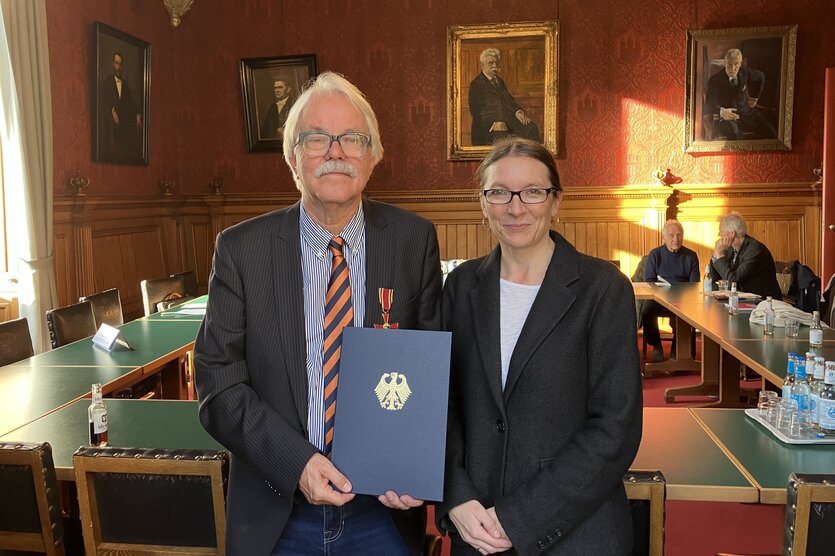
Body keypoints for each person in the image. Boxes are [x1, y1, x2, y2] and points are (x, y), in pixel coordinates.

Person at [194, 71, 442, 555]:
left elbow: (432, 373)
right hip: (277, 511)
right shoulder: (242, 249)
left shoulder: (413, 241)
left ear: (372, 157)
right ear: (292, 157)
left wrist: (413, 461)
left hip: (384, 513)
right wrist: (297, 463)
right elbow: (217, 384)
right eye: (316, 139)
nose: (336, 151)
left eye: (352, 138)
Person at [437, 137, 642, 555]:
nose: (516, 207)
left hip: (574, 532)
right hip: (475, 530)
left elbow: (614, 428)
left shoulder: (602, 289)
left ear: (555, 201)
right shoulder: (461, 286)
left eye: (532, 191)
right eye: (499, 192)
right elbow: (446, 404)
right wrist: (456, 496)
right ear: (483, 203)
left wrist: (518, 518)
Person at [641, 220, 700, 363]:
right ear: (664, 238)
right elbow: (648, 280)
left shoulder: (691, 256)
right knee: (646, 311)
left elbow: (694, 284)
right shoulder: (655, 254)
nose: (676, 239)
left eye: (679, 235)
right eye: (672, 235)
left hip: (682, 299)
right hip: (658, 297)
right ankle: (656, 345)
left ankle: (677, 348)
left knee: (685, 313)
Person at [468, 48, 540, 146]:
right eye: (490, 63)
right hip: (487, 128)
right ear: (482, 65)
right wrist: (493, 125)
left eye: (496, 63)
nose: (494, 66)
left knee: (531, 128)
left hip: (507, 121)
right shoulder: (476, 84)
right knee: (504, 141)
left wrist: (518, 112)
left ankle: (534, 159)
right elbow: (476, 112)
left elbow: (509, 101)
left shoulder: (499, 81)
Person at [703, 48, 777, 140]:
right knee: (736, 137)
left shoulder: (744, 72)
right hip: (727, 117)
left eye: (736, 64)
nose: (733, 68)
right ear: (725, 63)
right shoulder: (714, 80)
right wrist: (721, 112)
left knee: (771, 133)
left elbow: (760, 77)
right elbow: (708, 105)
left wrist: (755, 97)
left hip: (746, 112)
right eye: (729, 64)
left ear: (740, 63)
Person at [710, 211, 782, 300]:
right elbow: (713, 278)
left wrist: (720, 256)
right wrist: (715, 255)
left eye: (721, 232)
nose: (719, 235)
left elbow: (734, 280)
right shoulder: (729, 249)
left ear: (731, 233)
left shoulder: (755, 249)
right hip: (743, 302)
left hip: (764, 304)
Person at [98, 51, 142, 159]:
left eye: (120, 64)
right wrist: (112, 111)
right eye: (117, 63)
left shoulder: (125, 84)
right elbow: (102, 102)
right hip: (110, 121)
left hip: (123, 124)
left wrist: (137, 115)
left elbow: (131, 103)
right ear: (113, 64)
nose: (119, 67)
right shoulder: (107, 82)